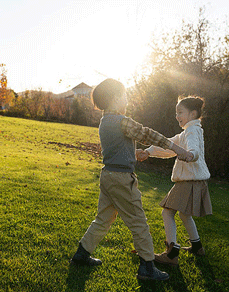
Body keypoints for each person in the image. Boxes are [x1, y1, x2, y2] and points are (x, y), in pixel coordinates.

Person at [70, 78, 193, 281]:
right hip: (121, 179)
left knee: (103, 218)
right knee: (138, 223)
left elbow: (116, 147)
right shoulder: (122, 121)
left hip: (108, 175)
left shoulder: (105, 122)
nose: (127, 100)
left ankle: (82, 254)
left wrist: (133, 152)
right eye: (125, 96)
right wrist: (177, 148)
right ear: (115, 98)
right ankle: (146, 267)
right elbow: (147, 134)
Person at [136, 96, 212, 266]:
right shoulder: (189, 131)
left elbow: (194, 149)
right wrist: (149, 151)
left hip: (188, 181)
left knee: (167, 212)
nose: (177, 116)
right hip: (195, 181)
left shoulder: (191, 132)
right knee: (184, 214)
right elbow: (169, 146)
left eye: (180, 112)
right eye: (176, 113)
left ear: (192, 113)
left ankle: (171, 254)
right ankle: (197, 246)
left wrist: (191, 155)